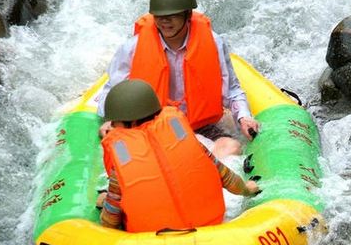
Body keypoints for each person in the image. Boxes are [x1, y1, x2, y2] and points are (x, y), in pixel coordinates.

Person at [97, 0, 260, 157]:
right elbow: (111, 92)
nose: (164, 22)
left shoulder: (213, 42)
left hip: (201, 124)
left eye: (171, 16)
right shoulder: (132, 48)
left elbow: (232, 90)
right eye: (159, 16)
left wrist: (244, 117)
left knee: (232, 148)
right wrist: (114, 120)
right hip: (151, 127)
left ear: (188, 14)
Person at [98, 79, 260, 232]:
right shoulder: (188, 142)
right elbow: (225, 176)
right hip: (209, 228)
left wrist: (104, 215)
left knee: (109, 200)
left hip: (153, 241)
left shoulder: (122, 165)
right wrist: (246, 189)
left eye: (114, 122)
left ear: (130, 124)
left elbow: (110, 220)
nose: (112, 126)